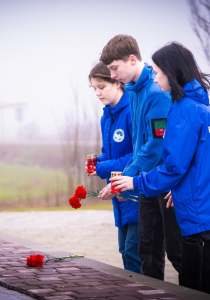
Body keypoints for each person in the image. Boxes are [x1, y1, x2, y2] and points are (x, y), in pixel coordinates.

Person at [110, 42, 210, 299]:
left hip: (201, 211)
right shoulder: (200, 105)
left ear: (172, 72)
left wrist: (135, 182)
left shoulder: (184, 111)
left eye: (159, 72)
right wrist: (177, 187)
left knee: (197, 286)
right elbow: (201, 162)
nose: (156, 76)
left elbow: (173, 167)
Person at [98, 34, 182, 281]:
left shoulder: (156, 93)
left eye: (114, 68)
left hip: (162, 182)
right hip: (145, 182)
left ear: (132, 60)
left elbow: (155, 146)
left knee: (177, 255)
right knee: (146, 251)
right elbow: (139, 145)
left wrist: (125, 177)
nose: (112, 76)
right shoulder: (134, 92)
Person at [86, 62, 141, 273]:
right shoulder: (106, 116)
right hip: (119, 195)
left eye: (101, 86)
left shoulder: (132, 111)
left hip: (137, 192)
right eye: (94, 88)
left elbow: (138, 156)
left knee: (134, 254)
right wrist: (98, 162)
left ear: (116, 82)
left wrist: (104, 167)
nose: (97, 93)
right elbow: (110, 154)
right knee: (124, 250)